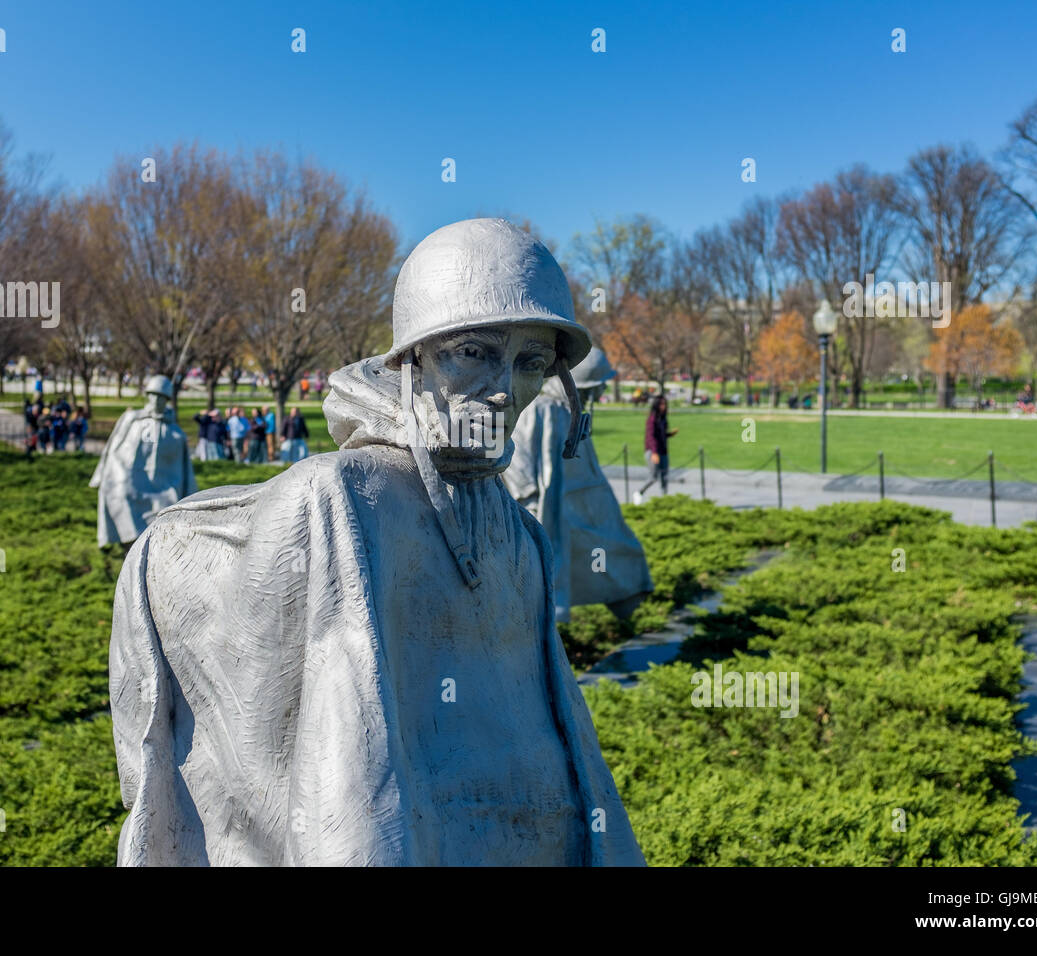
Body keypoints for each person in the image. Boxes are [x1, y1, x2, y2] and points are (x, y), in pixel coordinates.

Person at [109, 218, 644, 866]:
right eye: (474, 352)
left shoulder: (520, 534)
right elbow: (344, 773)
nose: (505, 387)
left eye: (531, 361)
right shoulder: (341, 499)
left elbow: (562, 747)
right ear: (414, 356)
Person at [503, 347, 653, 622]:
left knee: (619, 550)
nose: (603, 389)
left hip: (582, 508)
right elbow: (518, 460)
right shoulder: (539, 409)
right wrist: (528, 499)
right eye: (599, 384)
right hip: (550, 508)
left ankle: (627, 600)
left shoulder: (571, 412)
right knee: (548, 569)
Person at [90, 375, 197, 548]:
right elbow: (113, 448)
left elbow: (184, 471)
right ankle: (129, 540)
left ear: (166, 400)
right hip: (131, 478)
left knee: (165, 503)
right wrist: (102, 474)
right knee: (119, 493)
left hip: (164, 487)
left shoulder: (176, 434)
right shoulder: (132, 420)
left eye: (160, 397)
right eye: (153, 395)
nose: (156, 400)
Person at [634, 395, 677, 502]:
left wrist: (670, 434)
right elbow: (651, 436)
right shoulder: (652, 419)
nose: (664, 406)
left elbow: (661, 435)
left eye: (665, 404)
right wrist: (654, 452)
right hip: (653, 451)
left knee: (665, 476)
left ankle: (664, 498)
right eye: (662, 404)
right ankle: (639, 492)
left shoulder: (663, 418)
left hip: (663, 451)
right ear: (657, 405)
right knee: (653, 477)